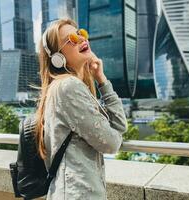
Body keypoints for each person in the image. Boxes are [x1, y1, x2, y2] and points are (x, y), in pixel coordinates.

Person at [34, 18, 128, 200]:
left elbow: (119, 126)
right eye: (71, 38)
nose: (81, 39)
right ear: (57, 57)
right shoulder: (68, 87)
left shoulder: (64, 86)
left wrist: (101, 79)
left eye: (80, 33)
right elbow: (112, 143)